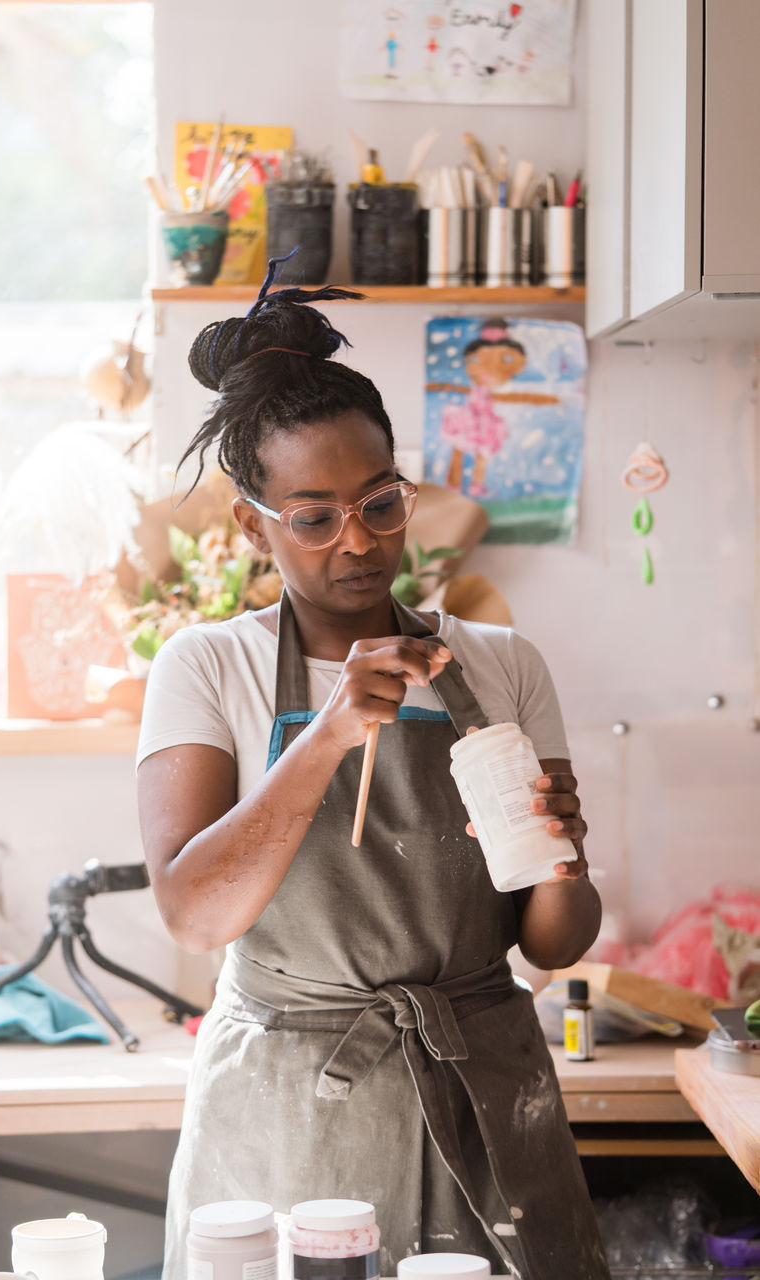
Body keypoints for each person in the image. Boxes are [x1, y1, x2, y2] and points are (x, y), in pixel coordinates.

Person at [136, 261, 610, 1280]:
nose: (357, 542)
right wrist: (329, 732)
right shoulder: (205, 666)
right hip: (287, 1104)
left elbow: (553, 946)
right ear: (251, 524)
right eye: (312, 516)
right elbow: (192, 914)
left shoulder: (498, 662)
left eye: (379, 502)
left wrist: (560, 857)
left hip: (486, 1083)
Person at [426, 319, 558, 496]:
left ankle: (475, 485)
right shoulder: (477, 387)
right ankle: (453, 484)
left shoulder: (495, 391)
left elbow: (510, 396)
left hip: (485, 422)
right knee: (459, 450)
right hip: (469, 418)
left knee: (481, 455)